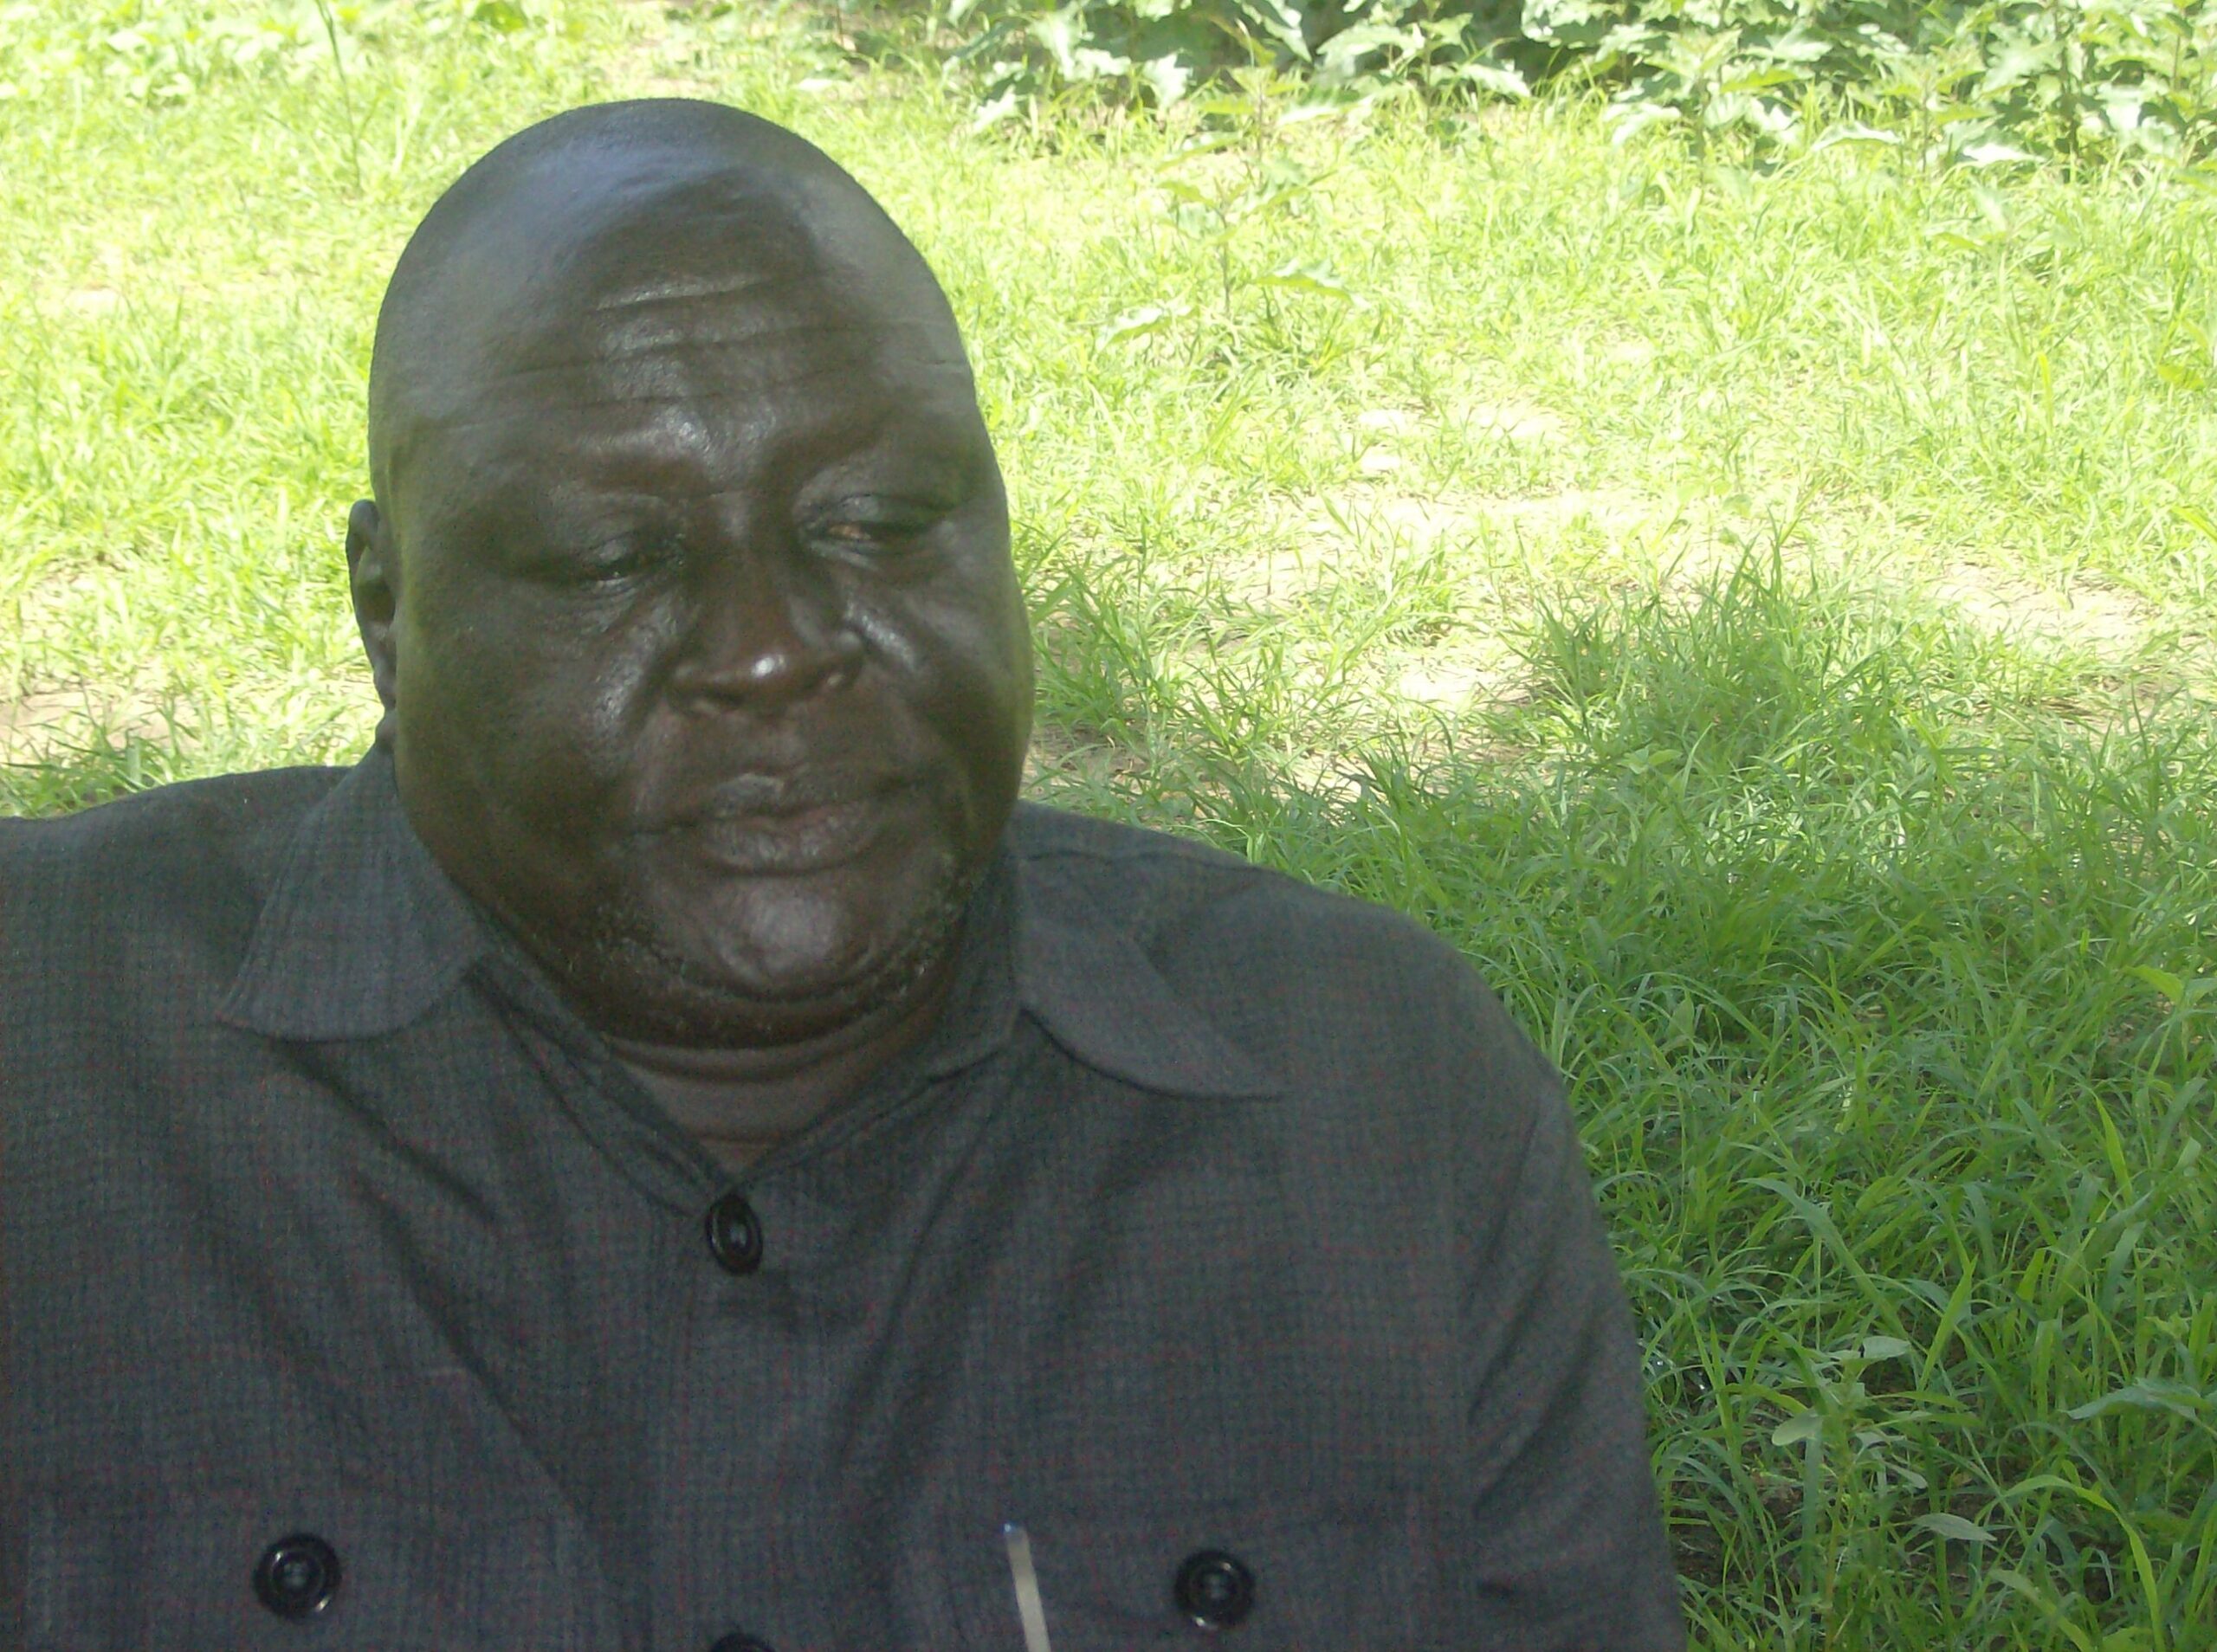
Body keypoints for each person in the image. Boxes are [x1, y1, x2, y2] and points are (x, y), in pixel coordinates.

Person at [0, 100, 1684, 1649]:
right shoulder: (50, 1064)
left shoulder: (1374, 1100)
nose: (771, 649)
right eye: (612, 557)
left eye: (879, 521)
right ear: (388, 610)